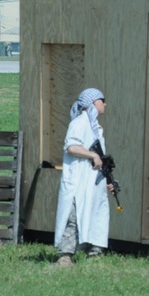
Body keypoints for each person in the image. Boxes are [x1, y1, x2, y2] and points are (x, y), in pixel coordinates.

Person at [53, 87, 112, 266]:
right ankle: (65, 256)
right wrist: (92, 155)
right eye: (102, 100)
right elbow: (72, 147)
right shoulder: (79, 123)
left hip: (93, 183)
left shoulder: (96, 128)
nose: (105, 104)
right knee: (73, 216)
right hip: (78, 181)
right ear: (94, 102)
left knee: (98, 215)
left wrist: (108, 181)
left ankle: (95, 253)